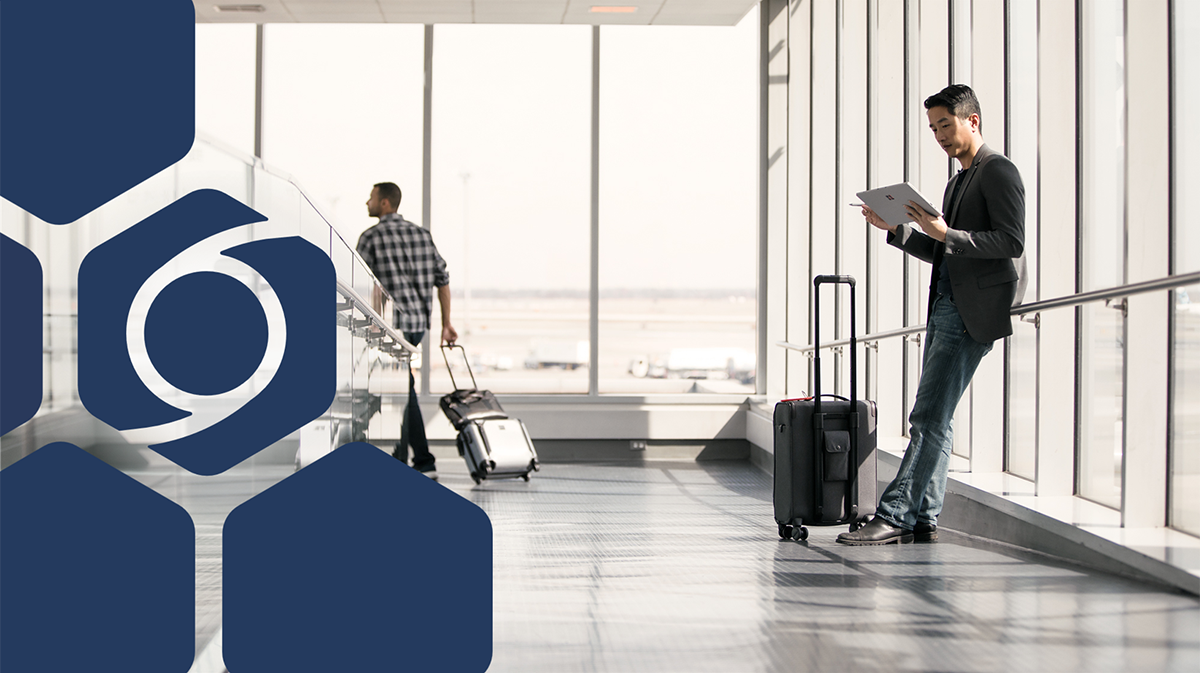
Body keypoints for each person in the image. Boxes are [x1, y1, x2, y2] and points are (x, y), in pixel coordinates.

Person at [837, 84, 1026, 545]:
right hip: (946, 305)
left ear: (972, 121)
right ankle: (923, 515)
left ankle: (895, 514)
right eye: (933, 128)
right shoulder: (958, 180)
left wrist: (946, 233)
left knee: (926, 417)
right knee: (937, 417)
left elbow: (1011, 241)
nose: (939, 135)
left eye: (945, 124)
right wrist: (898, 230)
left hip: (969, 312)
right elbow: (946, 251)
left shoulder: (998, 171)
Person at [356, 181, 458, 481]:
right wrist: (446, 323)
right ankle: (405, 457)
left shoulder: (371, 237)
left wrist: (373, 318)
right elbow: (442, 280)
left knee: (402, 390)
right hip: (417, 327)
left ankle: (422, 459)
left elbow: (361, 278)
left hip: (393, 328)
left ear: (385, 203)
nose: (367, 203)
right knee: (403, 388)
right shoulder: (422, 235)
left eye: (371, 198)